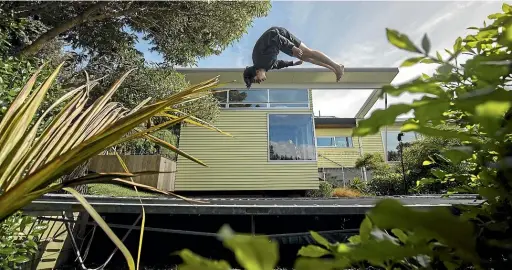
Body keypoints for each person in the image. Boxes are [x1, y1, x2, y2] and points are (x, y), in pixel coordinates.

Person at [243, 26, 344, 89]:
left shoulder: (258, 57)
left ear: (256, 72)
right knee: (305, 58)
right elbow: (279, 64)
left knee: (307, 52)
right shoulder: (265, 67)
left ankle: (337, 66)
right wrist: (293, 63)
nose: (259, 82)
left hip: (279, 34)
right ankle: (333, 69)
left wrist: (292, 47)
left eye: (256, 80)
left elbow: (273, 35)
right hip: (280, 44)